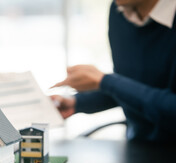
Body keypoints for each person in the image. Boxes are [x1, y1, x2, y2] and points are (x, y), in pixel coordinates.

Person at [52, 0, 176, 141]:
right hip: (140, 149)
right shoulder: (120, 11)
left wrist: (106, 81)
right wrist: (76, 103)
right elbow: (133, 88)